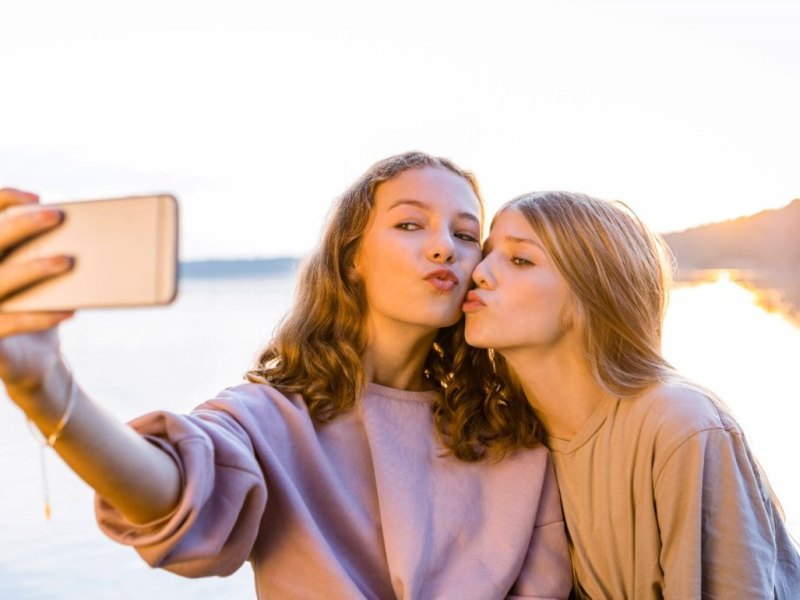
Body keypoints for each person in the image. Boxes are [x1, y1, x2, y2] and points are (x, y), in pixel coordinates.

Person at [0, 153, 572, 599]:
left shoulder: (510, 439)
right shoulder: (273, 419)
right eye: (409, 224)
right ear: (353, 257)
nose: (444, 248)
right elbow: (175, 490)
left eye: (466, 235)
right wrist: (46, 388)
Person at [463, 190, 800, 598]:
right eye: (486, 252)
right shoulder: (507, 436)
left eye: (521, 260)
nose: (480, 271)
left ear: (589, 298)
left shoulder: (683, 427)